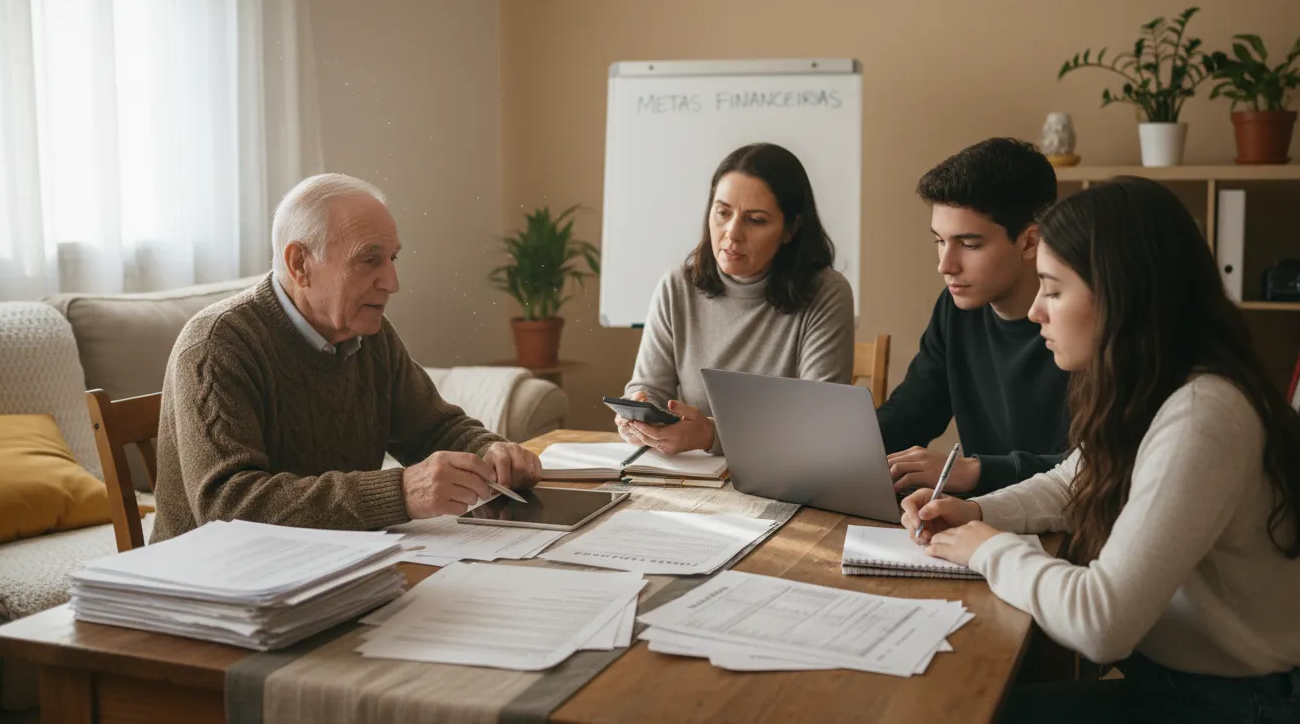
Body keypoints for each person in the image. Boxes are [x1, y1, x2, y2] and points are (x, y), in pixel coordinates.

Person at [902, 177, 1300, 723]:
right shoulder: (1154, 387)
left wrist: (985, 547)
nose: (1036, 311)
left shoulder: (1204, 413)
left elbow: (1099, 622)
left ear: (1122, 296)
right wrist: (978, 511)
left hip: (1242, 707)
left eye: (1054, 290)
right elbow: (1070, 480)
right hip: (1182, 689)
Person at [150, 173, 541, 543]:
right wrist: (401, 492)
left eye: (393, 259)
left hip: (332, 566)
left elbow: (432, 429)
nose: (392, 283)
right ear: (299, 264)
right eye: (369, 260)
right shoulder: (216, 345)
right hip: (208, 586)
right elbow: (229, 506)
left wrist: (489, 450)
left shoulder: (370, 335)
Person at [618, 142, 855, 455]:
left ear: (791, 228)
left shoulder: (826, 292)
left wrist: (711, 436)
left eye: (755, 220)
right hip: (694, 477)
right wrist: (640, 410)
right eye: (722, 213)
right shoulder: (677, 286)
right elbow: (649, 388)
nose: (732, 233)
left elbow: (816, 426)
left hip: (784, 478)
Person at [877, 137, 1070, 495]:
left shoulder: (1082, 321)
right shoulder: (955, 307)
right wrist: (849, 452)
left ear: (1030, 241)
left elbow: (1094, 468)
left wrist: (976, 471)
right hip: (979, 519)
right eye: (939, 240)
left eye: (968, 244)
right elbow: (912, 412)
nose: (944, 265)